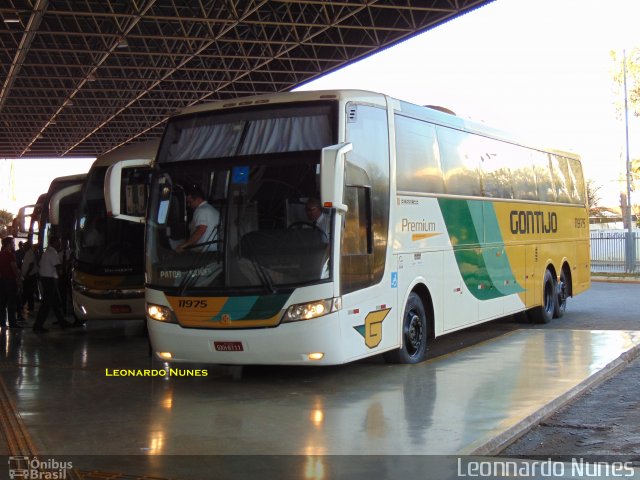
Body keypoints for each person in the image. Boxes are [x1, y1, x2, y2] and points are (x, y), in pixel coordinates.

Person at [33, 236, 70, 333]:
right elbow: (58, 267)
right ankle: (38, 325)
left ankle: (62, 322)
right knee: (46, 304)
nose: (60, 243)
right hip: (50, 280)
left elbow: (41, 264)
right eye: (59, 241)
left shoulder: (46, 253)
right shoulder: (52, 253)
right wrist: (69, 262)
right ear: (54, 242)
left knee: (56, 303)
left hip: (46, 279)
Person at [176, 185, 219, 253]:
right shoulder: (213, 210)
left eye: (190, 202)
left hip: (203, 254)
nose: (188, 205)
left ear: (199, 199)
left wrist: (184, 245)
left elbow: (201, 230)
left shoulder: (201, 210)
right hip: (213, 251)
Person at [0, 237, 23, 329]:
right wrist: (19, 280)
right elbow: (14, 268)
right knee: (11, 303)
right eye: (13, 243)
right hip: (10, 280)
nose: (14, 245)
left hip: (2, 281)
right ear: (8, 244)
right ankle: (12, 322)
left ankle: (2, 322)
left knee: (2, 303)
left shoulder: (0, 254)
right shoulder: (10, 255)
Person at [20, 241, 38, 314]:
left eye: (24, 246)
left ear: (27, 246)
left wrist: (27, 274)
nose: (23, 247)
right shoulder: (28, 253)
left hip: (30, 276)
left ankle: (23, 305)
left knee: (27, 291)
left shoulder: (29, 253)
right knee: (29, 292)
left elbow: (31, 264)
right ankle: (30, 307)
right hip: (29, 275)